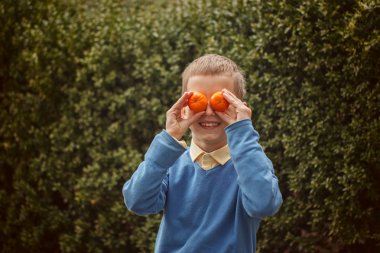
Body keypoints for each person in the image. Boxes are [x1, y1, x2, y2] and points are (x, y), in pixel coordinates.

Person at [122, 54, 282, 253]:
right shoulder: (170, 163)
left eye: (219, 101)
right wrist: (169, 139)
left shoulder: (252, 164)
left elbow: (263, 205)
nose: (208, 111)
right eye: (197, 101)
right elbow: (137, 201)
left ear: (240, 109)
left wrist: (242, 132)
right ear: (184, 109)